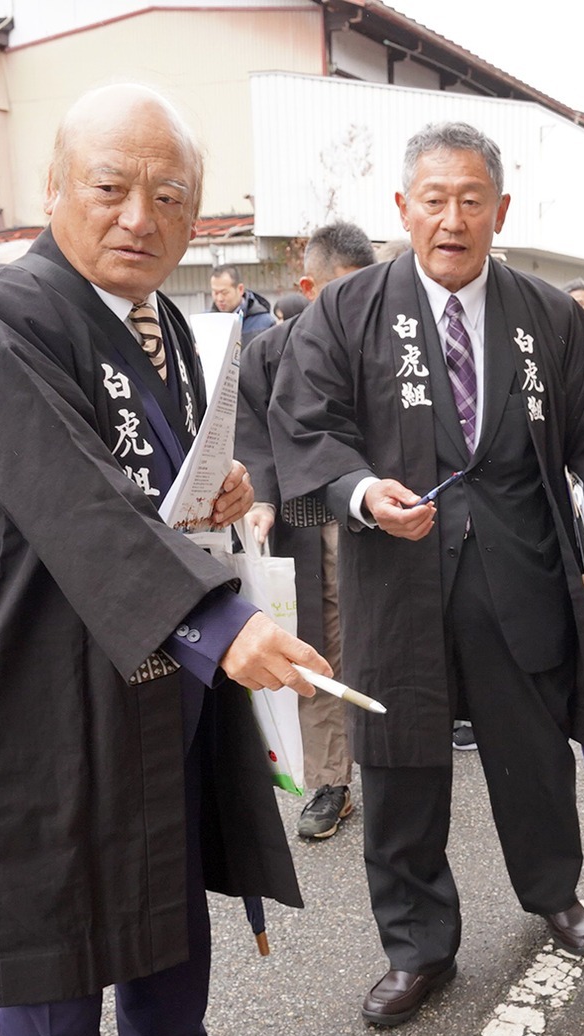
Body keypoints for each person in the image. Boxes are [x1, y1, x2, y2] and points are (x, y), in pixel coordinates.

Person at [0, 84, 323, 1036]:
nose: (140, 215)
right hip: (47, 679)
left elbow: (143, 482)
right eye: (111, 186)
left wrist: (218, 494)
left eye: (170, 195)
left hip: (153, 671)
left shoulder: (155, 326)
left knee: (164, 889)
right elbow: (67, 495)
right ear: (53, 189)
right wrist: (215, 615)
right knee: (53, 931)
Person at [271, 120, 584, 1028]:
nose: (451, 220)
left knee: (532, 749)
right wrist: (361, 492)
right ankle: (417, 947)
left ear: (499, 210)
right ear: (402, 208)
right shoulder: (348, 310)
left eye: (471, 200)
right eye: (433, 201)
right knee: (399, 763)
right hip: (395, 580)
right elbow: (304, 422)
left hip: (519, 571)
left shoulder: (549, 316)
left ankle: (552, 891)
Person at [239, 220, 375, 842]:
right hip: (308, 525)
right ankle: (330, 780)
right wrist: (260, 498)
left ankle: (401, 761)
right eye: (339, 292)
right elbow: (253, 436)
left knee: (389, 644)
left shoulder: (390, 348)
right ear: (307, 286)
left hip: (381, 522)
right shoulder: (268, 351)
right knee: (318, 651)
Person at [208, 263, 273, 340]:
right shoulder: (205, 323)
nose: (219, 298)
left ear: (240, 289)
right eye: (215, 293)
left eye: (224, 293)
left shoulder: (265, 323)